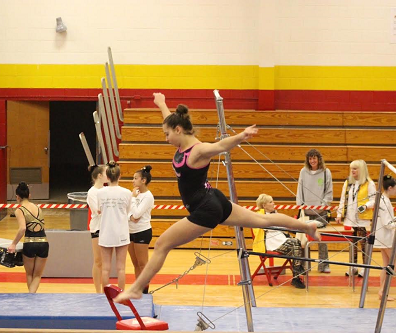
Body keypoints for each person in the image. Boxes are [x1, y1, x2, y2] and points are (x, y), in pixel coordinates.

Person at [113, 93, 320, 302]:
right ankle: (306, 227)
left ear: (178, 130)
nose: (165, 138)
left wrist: (240, 136)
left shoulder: (197, 150)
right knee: (262, 219)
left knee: (161, 245)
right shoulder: (181, 143)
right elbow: (169, 120)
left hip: (205, 208)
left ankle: (137, 289)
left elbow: (220, 146)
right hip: (213, 198)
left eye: (167, 134)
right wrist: (162, 104)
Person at [254, 194, 306, 288]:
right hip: (271, 243)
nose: (274, 203)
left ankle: (296, 275)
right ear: (264, 205)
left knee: (296, 242)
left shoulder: (275, 214)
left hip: (281, 239)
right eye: (271, 202)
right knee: (295, 244)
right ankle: (297, 274)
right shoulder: (260, 216)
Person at [335, 159, 376, 277]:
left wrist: (365, 205)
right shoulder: (348, 182)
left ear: (361, 170)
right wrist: (339, 214)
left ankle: (364, 268)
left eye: (355, 168)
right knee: (352, 243)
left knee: (363, 243)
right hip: (350, 218)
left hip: (363, 219)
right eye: (351, 168)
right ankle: (353, 266)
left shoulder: (369, 183)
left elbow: (374, 200)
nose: (352, 170)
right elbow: (343, 199)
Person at [296, 148, 333, 273]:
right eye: (310, 158)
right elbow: (299, 189)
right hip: (306, 212)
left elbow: (329, 191)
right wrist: (301, 205)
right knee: (304, 240)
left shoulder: (325, 172)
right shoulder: (303, 172)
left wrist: (322, 206)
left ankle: (324, 265)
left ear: (319, 159)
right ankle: (306, 265)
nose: (312, 161)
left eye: (314, 158)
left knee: (321, 239)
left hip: (321, 213)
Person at [8, 182, 49, 293]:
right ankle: (32, 298)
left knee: (30, 274)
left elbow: (22, 229)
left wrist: (13, 244)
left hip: (30, 243)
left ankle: (30, 298)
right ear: (29, 195)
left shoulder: (19, 210)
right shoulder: (38, 208)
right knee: (37, 275)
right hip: (43, 243)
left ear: (17, 197)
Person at [97, 161, 132, 291]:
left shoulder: (100, 193)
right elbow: (128, 211)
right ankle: (121, 293)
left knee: (105, 268)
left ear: (107, 176)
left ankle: (105, 294)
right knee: (121, 267)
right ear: (120, 176)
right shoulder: (127, 193)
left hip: (106, 232)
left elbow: (100, 209)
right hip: (121, 232)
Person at [128, 165, 154, 294]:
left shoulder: (147, 196)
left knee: (143, 264)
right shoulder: (135, 195)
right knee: (135, 264)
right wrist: (131, 217)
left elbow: (137, 215)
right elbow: (129, 213)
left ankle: (145, 290)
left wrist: (132, 199)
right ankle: (137, 288)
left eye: (135, 178)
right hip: (130, 231)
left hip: (142, 231)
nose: (133, 181)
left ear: (143, 180)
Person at [373, 175, 396, 300]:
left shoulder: (383, 199)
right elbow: (387, 223)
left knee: (386, 265)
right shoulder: (384, 201)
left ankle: (382, 292)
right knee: (393, 265)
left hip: (384, 237)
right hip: (385, 237)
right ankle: (382, 290)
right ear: (390, 188)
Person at [86, 164, 108, 293]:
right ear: (99, 176)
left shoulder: (106, 190)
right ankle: (98, 290)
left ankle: (106, 289)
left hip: (107, 227)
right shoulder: (92, 192)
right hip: (97, 228)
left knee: (106, 262)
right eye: (106, 173)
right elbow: (97, 210)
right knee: (98, 260)